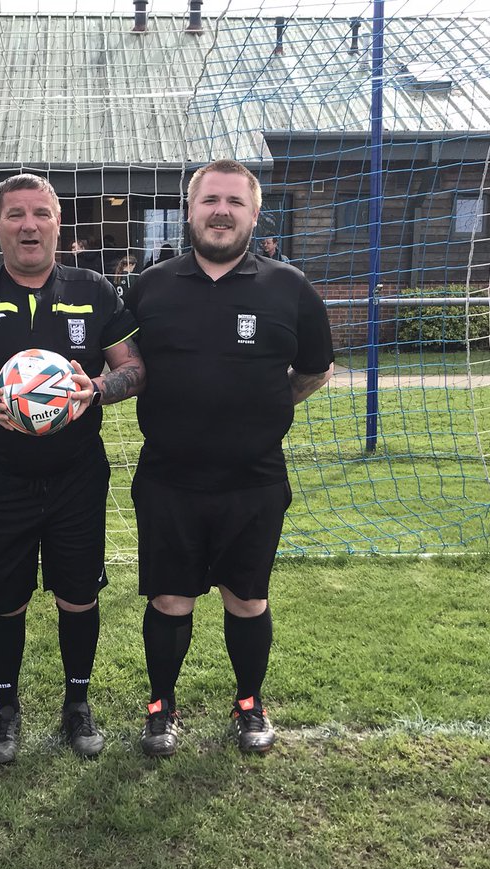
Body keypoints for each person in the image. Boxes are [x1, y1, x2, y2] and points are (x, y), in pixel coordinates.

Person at [0, 174, 144, 764]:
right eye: (16, 214)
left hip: (77, 476)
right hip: (2, 477)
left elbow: (134, 368)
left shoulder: (93, 289)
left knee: (78, 596)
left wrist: (94, 388)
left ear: (57, 223)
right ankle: (6, 708)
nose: (29, 225)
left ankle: (77, 704)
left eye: (41, 214)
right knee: (4, 599)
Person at [125, 160, 334, 757]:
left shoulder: (289, 287)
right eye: (209, 199)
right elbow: (128, 366)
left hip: (255, 479)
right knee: (170, 598)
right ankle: (161, 706)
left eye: (234, 202)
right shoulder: (149, 287)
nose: (221, 211)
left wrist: (264, 407)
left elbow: (315, 370)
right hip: (169, 476)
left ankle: (249, 703)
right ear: (190, 210)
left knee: (248, 598)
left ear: (254, 213)